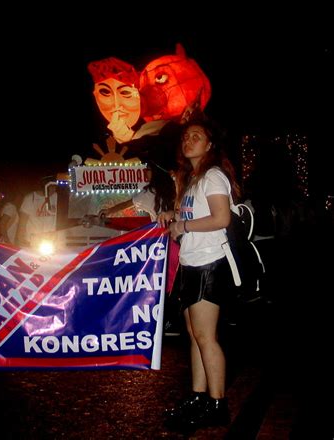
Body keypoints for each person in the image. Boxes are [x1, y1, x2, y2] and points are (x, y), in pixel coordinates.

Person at [159, 116, 241, 431]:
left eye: (197, 136)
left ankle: (217, 403)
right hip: (192, 263)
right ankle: (198, 396)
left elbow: (221, 218)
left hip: (211, 263)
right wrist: (174, 214)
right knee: (193, 335)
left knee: (206, 336)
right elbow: (191, 215)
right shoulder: (193, 180)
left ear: (209, 145)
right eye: (186, 137)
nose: (188, 140)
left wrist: (184, 224)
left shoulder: (213, 176)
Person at [17, 176, 57, 248]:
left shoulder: (57, 197)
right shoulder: (30, 198)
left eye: (55, 187)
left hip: (52, 241)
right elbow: (22, 223)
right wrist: (19, 242)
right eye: (52, 187)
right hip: (33, 242)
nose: (54, 189)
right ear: (45, 186)